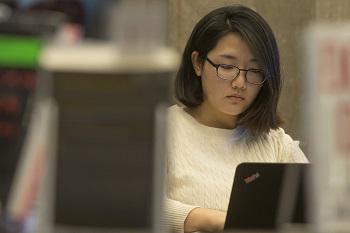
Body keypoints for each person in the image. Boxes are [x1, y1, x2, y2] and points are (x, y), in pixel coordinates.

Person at [164, 4, 308, 233]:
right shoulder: (164, 129)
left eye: (254, 70)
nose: (240, 82)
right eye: (228, 66)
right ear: (198, 63)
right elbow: (133, 205)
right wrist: (214, 220)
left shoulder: (277, 143)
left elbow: (320, 209)